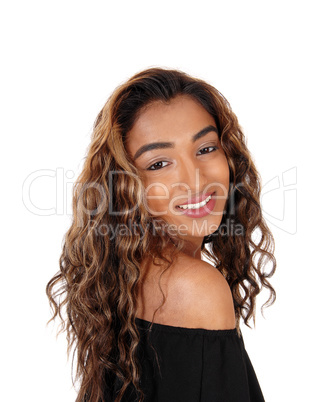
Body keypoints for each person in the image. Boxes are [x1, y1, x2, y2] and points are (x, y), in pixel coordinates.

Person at [46, 67, 276, 402]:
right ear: (124, 185)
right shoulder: (196, 286)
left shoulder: (126, 274)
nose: (195, 180)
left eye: (206, 148)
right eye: (158, 164)